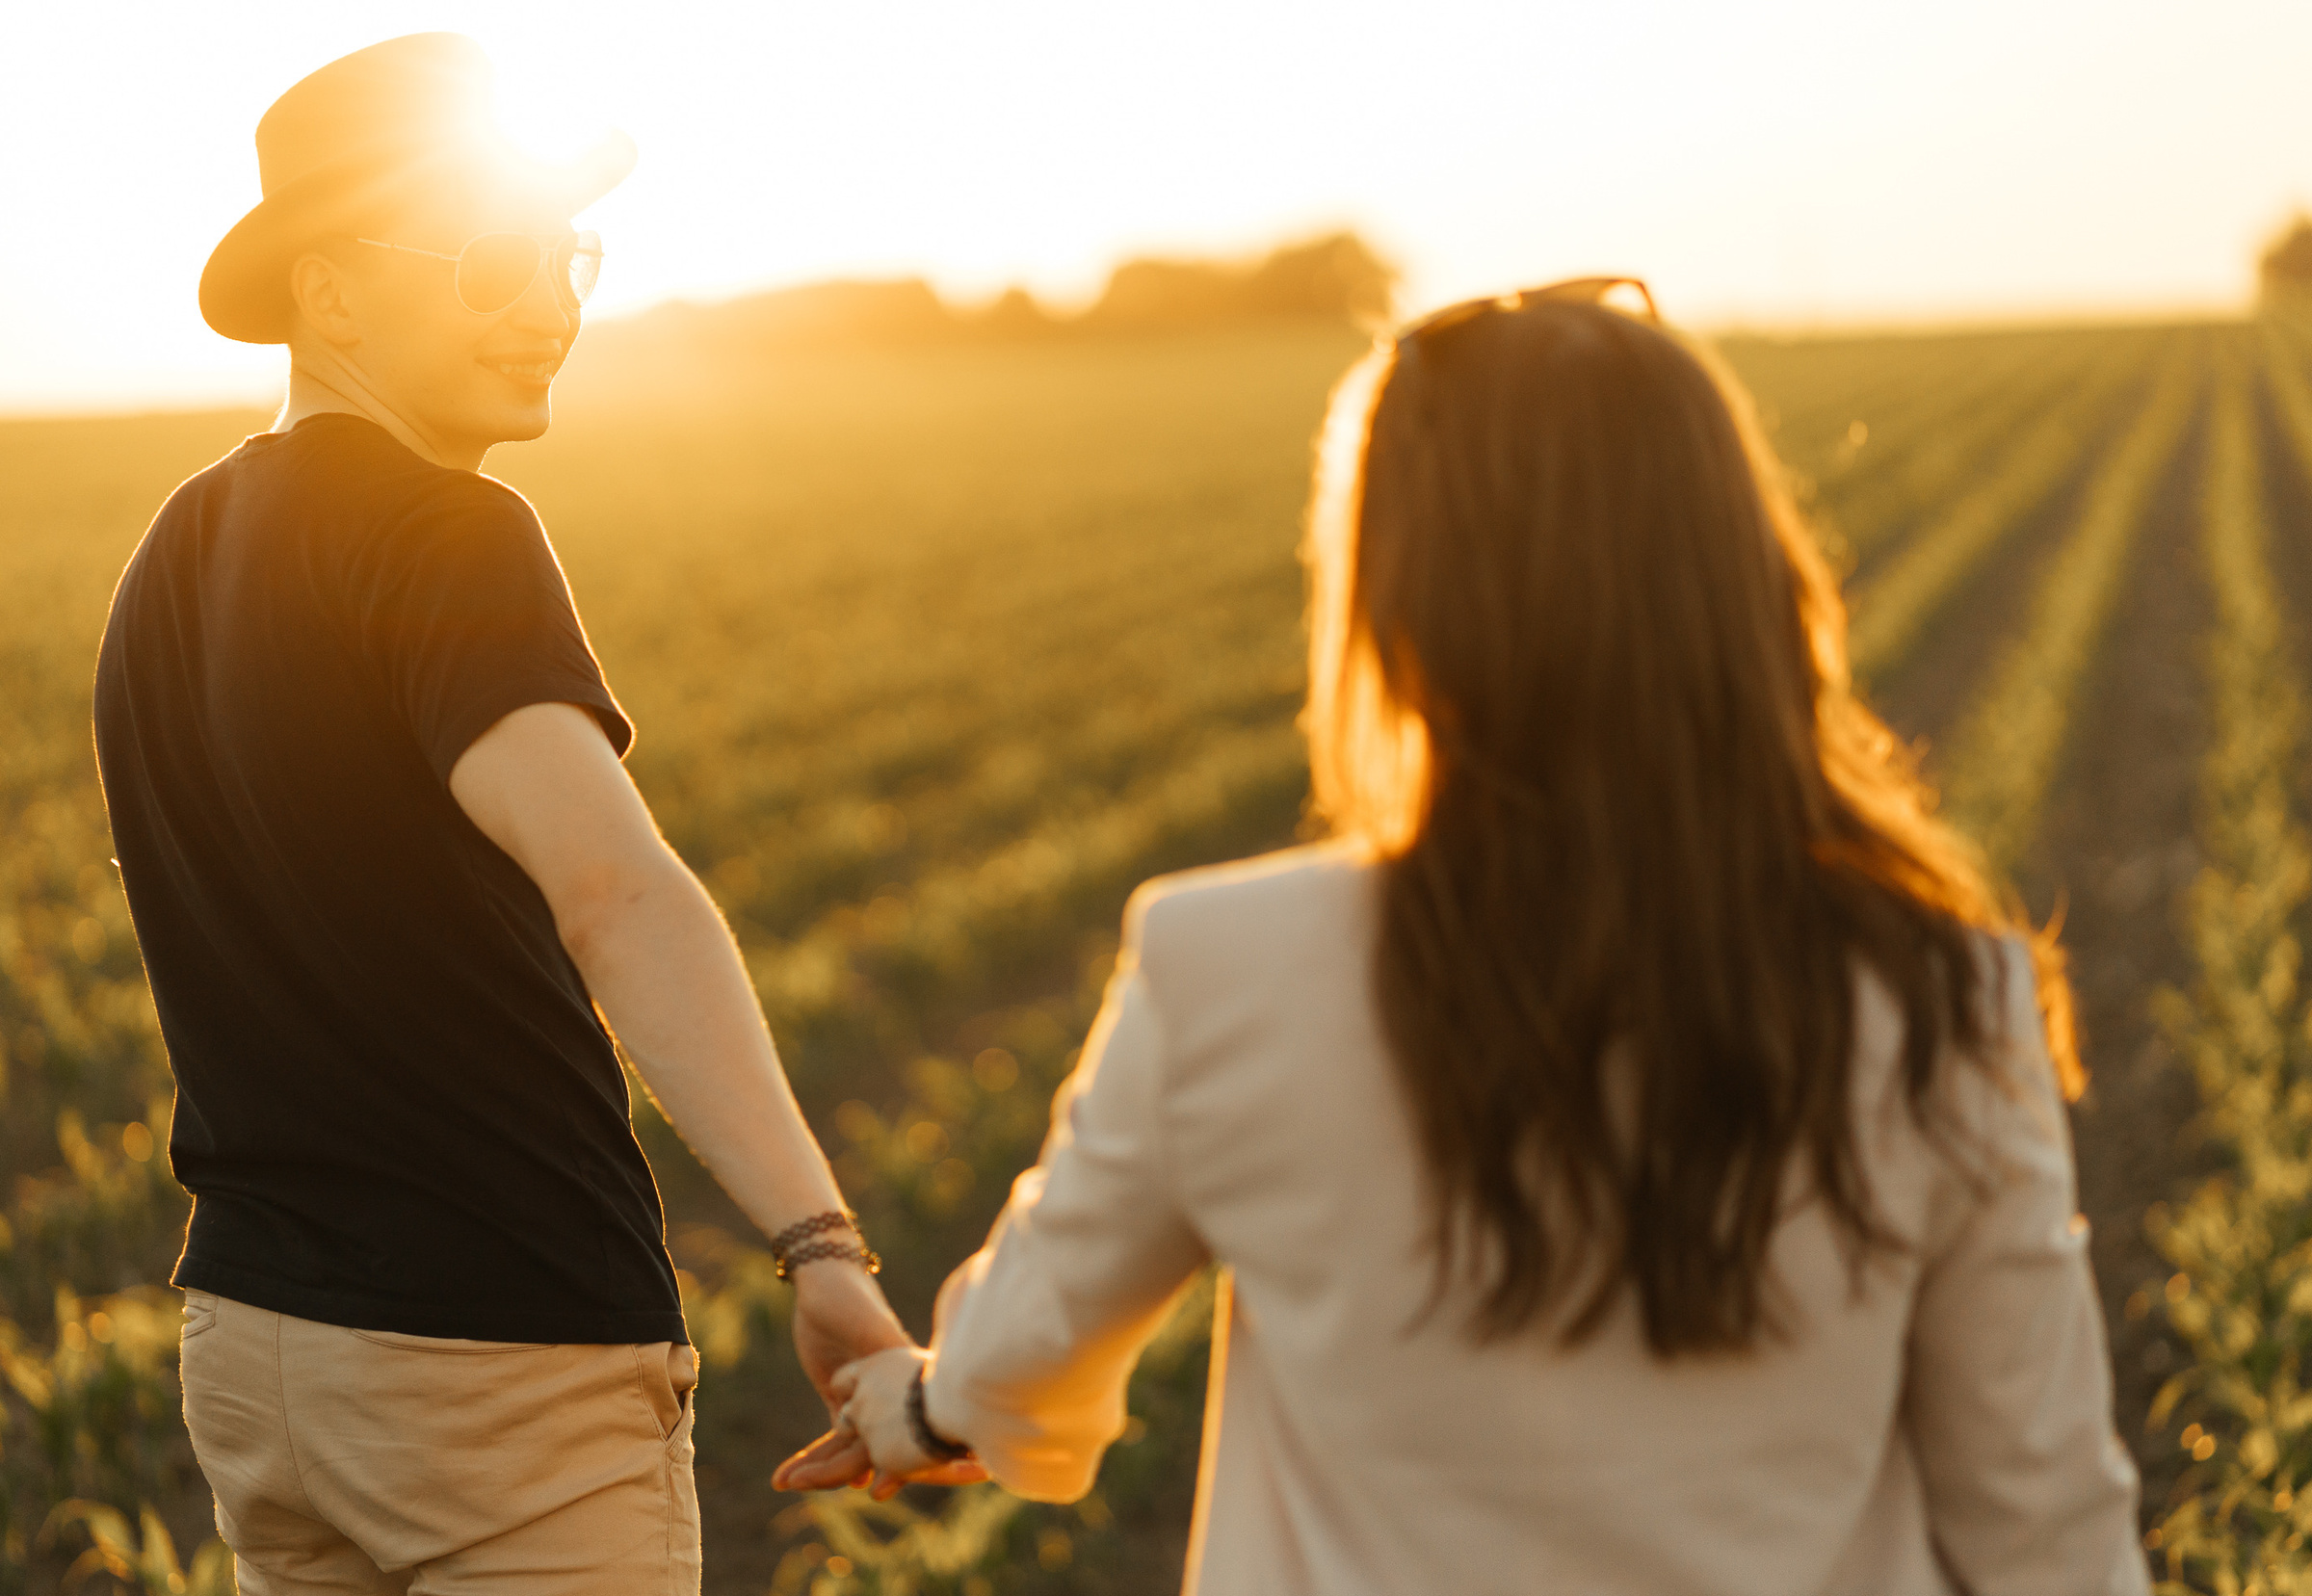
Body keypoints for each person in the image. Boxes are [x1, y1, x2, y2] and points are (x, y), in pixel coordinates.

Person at [779, 279, 2150, 1594]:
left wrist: (915, 1407)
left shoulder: (1224, 965)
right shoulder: (1943, 993)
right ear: (1744, 586)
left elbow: (1022, 1359)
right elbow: (2042, 1514)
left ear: (1397, 608)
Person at [92, 34, 975, 1594]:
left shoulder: (173, 551)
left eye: (566, 257)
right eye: (494, 260)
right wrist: (821, 1244)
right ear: (331, 293)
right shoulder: (449, 532)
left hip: (258, 1346)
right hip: (500, 1353)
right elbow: (614, 890)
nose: (550, 306)